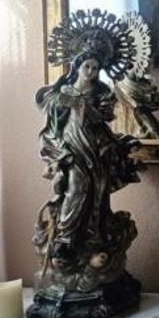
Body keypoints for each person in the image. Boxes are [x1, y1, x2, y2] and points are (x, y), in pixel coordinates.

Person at [33, 50, 141, 290]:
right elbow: (52, 121)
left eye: (95, 68)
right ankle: (65, 239)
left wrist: (86, 106)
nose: (91, 72)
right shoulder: (63, 92)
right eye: (87, 67)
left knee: (97, 192)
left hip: (96, 149)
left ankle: (93, 238)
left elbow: (105, 116)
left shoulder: (102, 93)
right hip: (72, 150)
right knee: (76, 190)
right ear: (77, 66)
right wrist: (58, 154)